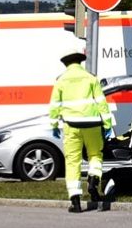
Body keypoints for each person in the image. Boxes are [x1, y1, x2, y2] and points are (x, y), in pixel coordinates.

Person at [49, 43, 114, 213]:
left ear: (66, 64)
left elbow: (55, 105)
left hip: (71, 125)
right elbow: (102, 103)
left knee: (72, 161)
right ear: (80, 62)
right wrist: (107, 125)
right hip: (93, 124)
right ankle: (93, 182)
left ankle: (75, 201)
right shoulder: (91, 78)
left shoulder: (60, 80)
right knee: (95, 155)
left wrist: (54, 124)